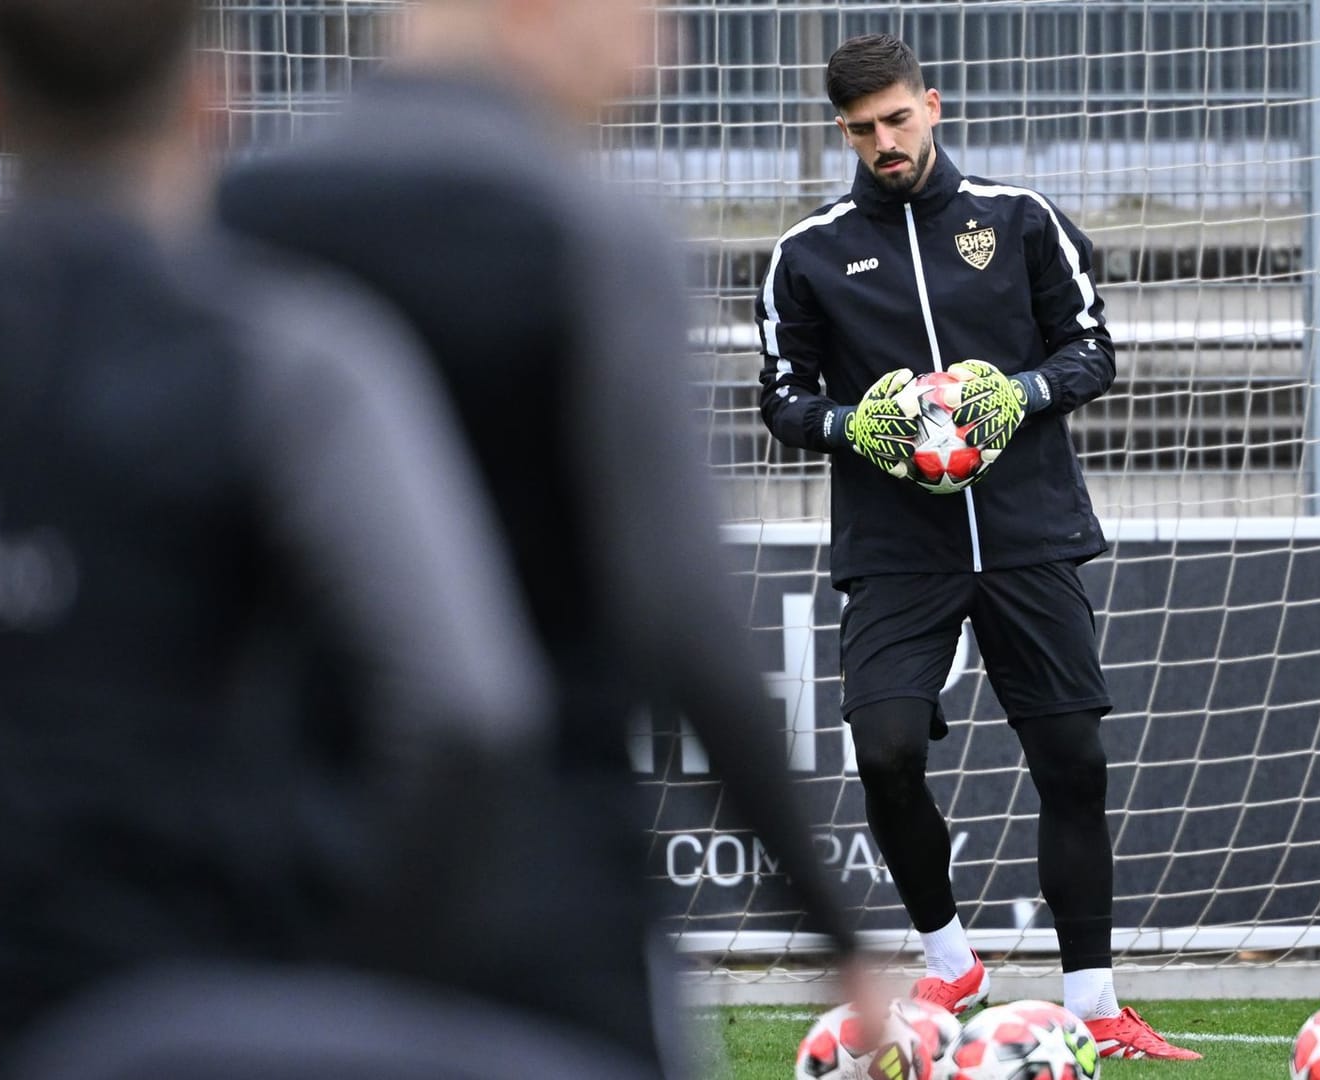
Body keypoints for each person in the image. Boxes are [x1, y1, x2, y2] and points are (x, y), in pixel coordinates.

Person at [0, 0, 552, 1076]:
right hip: (192, 1032)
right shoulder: (291, 369)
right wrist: (343, 993)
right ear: (213, 98)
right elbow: (467, 712)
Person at [217, 0, 867, 1071]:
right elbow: (682, 618)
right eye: (649, 13)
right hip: (541, 898)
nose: (671, 50)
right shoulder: (587, 233)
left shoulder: (230, 217)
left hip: (270, 903)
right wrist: (835, 929)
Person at [754, 33, 1200, 1061]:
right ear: (842, 133)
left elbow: (1092, 350)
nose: (885, 144)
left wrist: (1022, 395)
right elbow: (782, 398)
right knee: (887, 749)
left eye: (898, 120)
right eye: (863, 130)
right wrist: (849, 426)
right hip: (897, 546)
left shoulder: (1020, 220)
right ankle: (950, 958)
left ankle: (1095, 1003)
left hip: (1027, 532)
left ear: (933, 106)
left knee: (1073, 762)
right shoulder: (808, 254)